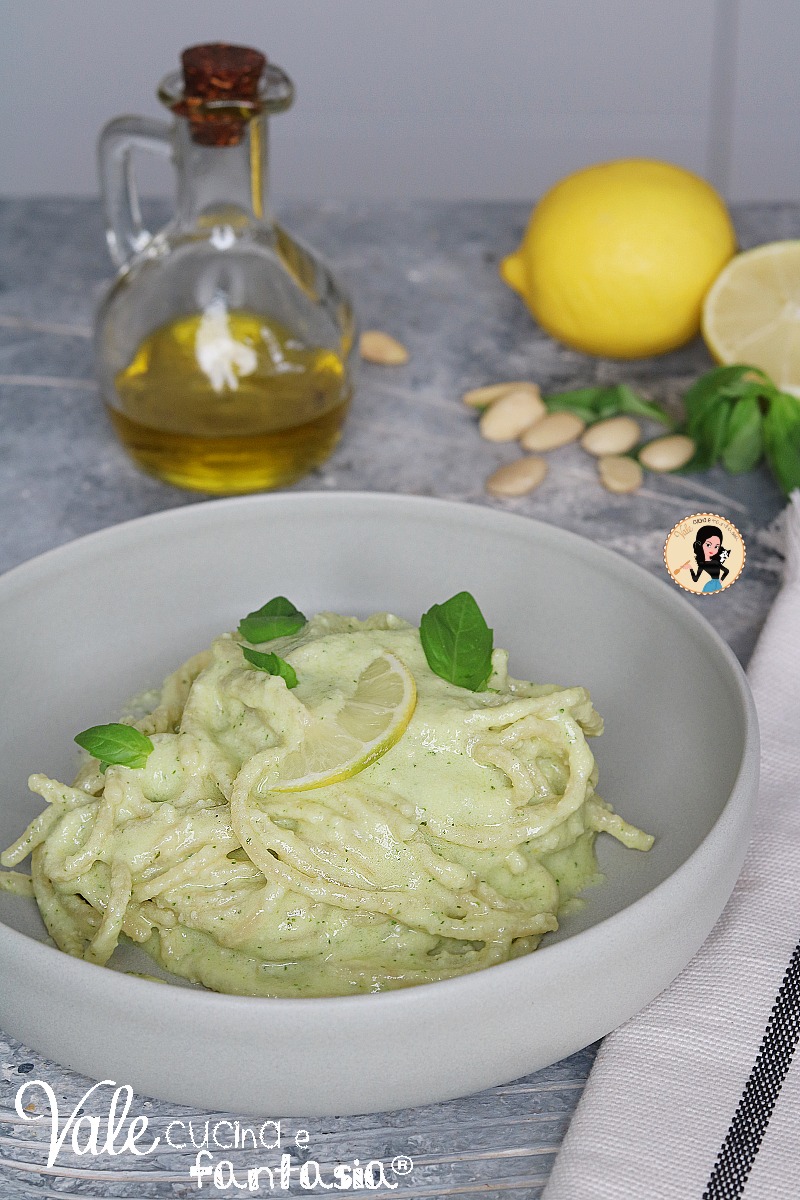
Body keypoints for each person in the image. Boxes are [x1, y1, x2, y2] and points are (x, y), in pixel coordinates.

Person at [677, 525, 730, 592]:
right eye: (708, 545)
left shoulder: (714, 562)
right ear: (701, 544)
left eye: (716, 547)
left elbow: (726, 571)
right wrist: (690, 568)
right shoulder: (703, 564)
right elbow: (695, 579)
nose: (712, 549)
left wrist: (721, 580)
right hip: (711, 586)